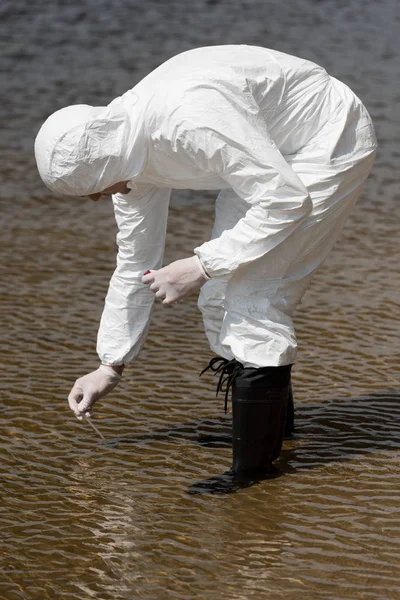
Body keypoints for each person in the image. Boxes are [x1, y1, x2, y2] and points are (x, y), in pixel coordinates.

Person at [34, 45, 377, 480]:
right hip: (264, 152)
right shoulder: (125, 158)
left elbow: (286, 199)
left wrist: (199, 265)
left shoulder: (189, 121)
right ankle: (267, 432)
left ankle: (253, 472)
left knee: (253, 294)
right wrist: (110, 364)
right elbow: (134, 263)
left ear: (106, 163)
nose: (98, 198)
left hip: (324, 138)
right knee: (219, 296)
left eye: (93, 189)